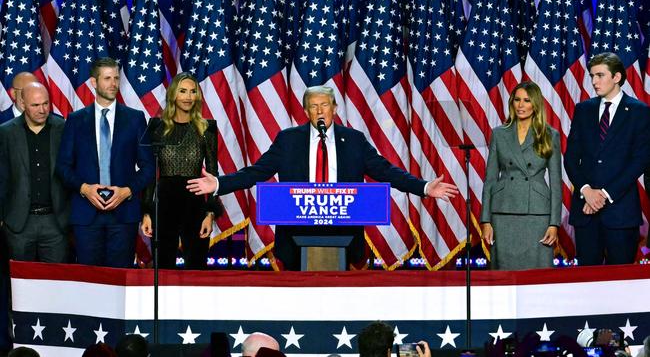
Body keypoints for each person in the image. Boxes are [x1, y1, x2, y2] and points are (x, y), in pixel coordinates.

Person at [187, 86, 458, 270]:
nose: (319, 111)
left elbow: (385, 171)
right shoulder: (289, 140)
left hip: (342, 233)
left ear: (335, 108)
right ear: (305, 112)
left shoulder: (353, 140)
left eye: (324, 105)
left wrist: (423, 187)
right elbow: (257, 172)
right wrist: (219, 183)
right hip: (296, 234)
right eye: (313, 106)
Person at [56, 57, 155, 268]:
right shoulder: (75, 120)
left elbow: (148, 167)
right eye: (107, 78)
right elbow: (63, 167)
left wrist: (127, 191)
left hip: (123, 215)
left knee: (120, 282)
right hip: (86, 215)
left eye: (116, 78)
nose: (113, 84)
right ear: (94, 82)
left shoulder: (135, 118)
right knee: (89, 282)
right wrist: (85, 189)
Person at [564, 52, 650, 265]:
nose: (594, 81)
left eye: (600, 75)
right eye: (592, 75)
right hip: (586, 213)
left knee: (620, 284)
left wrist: (602, 194)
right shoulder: (583, 109)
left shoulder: (639, 111)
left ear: (617, 77)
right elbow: (571, 157)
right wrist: (586, 190)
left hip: (620, 212)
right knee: (586, 281)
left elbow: (639, 160)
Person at [140, 73, 223, 269]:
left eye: (193, 91)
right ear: (173, 95)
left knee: (196, 267)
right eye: (183, 91)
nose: (188, 97)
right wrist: (146, 212)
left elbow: (213, 172)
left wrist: (210, 213)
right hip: (164, 204)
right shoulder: (157, 127)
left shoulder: (207, 128)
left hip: (194, 202)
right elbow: (150, 173)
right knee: (163, 267)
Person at [479, 81, 561, 270]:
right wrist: (486, 220)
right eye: (517, 100)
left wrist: (554, 223)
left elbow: (556, 183)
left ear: (536, 104)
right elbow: (490, 179)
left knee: (537, 274)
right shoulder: (499, 134)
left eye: (526, 100)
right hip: (504, 211)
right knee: (503, 274)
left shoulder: (550, 135)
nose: (521, 105)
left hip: (537, 214)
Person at [0, 82, 70, 262]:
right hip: (19, 223)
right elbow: (2, 177)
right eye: (35, 105)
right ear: (22, 104)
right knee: (20, 286)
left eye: (46, 103)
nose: (42, 110)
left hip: (55, 222)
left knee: (55, 284)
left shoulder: (63, 128)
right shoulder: (6, 132)